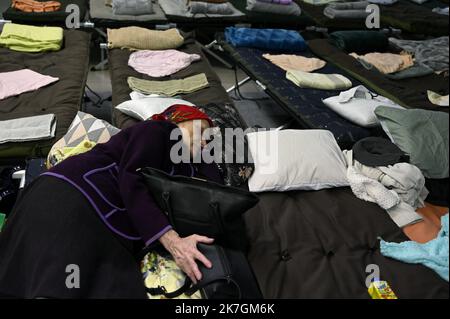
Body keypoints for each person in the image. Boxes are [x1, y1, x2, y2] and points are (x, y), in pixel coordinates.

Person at [0, 105, 223, 299]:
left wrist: (206, 155)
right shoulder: (158, 129)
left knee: (107, 284)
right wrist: (173, 241)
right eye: (202, 131)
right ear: (180, 120)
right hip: (74, 193)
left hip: (99, 214)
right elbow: (132, 178)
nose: (205, 141)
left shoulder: (183, 165)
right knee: (59, 281)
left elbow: (216, 186)